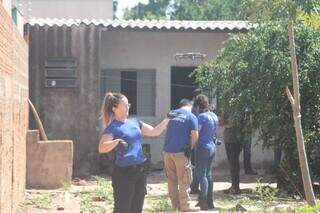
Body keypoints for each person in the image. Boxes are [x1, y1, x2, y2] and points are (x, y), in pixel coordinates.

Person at [98, 92, 169, 213]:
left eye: (128, 104)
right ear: (114, 108)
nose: (128, 108)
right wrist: (116, 141)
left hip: (140, 171)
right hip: (124, 173)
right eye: (125, 105)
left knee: (137, 208)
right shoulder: (113, 127)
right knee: (123, 209)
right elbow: (101, 148)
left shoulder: (135, 122)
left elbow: (155, 131)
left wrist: (168, 119)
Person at [163, 99, 200, 212]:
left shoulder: (171, 114)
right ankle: (185, 206)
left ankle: (175, 206)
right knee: (184, 179)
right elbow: (195, 135)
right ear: (191, 106)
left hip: (167, 151)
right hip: (180, 153)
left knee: (171, 180)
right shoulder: (191, 116)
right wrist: (190, 148)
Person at [193, 94, 218, 210]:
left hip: (203, 147)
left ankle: (203, 202)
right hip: (212, 147)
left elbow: (196, 133)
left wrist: (190, 145)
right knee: (208, 174)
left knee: (201, 174)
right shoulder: (213, 115)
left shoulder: (202, 117)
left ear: (198, 106)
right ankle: (210, 201)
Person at [220, 110, 241, 194]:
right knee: (232, 164)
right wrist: (222, 115)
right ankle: (234, 186)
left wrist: (224, 123)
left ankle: (236, 187)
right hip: (228, 140)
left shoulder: (236, 111)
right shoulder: (227, 111)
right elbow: (222, 124)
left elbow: (231, 124)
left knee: (234, 164)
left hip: (234, 141)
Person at [241, 107, 258, 175]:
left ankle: (247, 169)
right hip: (242, 135)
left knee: (247, 153)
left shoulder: (248, 112)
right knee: (246, 152)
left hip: (246, 135)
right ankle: (247, 169)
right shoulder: (242, 112)